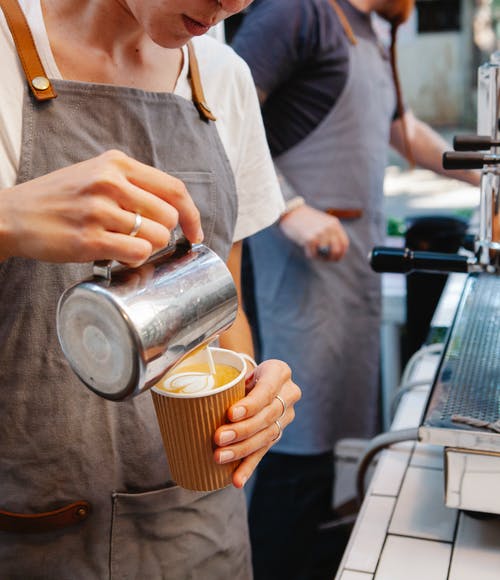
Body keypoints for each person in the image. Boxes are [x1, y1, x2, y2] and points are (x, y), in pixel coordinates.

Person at [0, 0, 301, 578]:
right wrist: (10, 221)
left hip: (198, 535)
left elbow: (221, 310)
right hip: (33, 536)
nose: (233, 4)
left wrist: (255, 396)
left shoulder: (224, 78)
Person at [231, 1, 481, 578]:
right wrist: (289, 208)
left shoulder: (372, 30)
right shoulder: (298, 13)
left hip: (352, 277)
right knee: (296, 455)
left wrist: (486, 173)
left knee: (343, 456)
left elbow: (404, 132)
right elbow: (221, 115)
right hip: (294, 281)